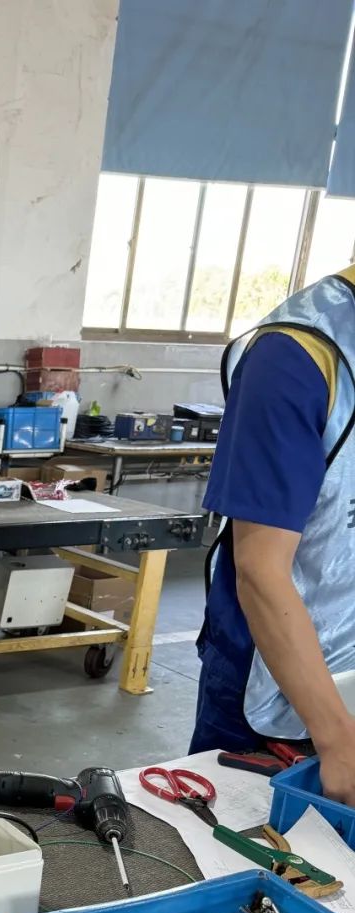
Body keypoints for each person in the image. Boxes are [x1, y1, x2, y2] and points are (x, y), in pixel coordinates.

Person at [193, 262, 355, 805]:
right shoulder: (298, 358)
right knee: (242, 837)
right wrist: (337, 739)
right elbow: (260, 571)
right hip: (277, 693)